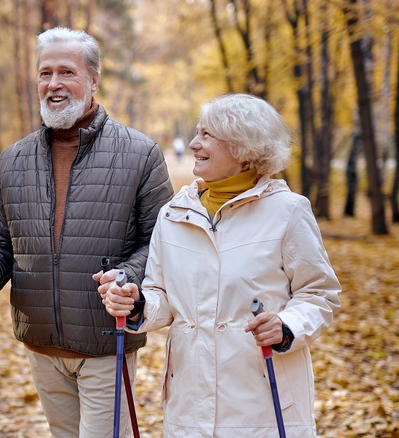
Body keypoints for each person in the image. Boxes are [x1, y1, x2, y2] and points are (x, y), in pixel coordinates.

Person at [0, 27, 173, 437]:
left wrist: (126, 278)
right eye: (44, 73)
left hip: (107, 339)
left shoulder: (141, 154)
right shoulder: (14, 159)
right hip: (42, 345)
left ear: (93, 79)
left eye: (66, 72)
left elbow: (159, 243)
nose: (53, 84)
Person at [96, 93, 342, 437]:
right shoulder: (174, 214)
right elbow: (161, 296)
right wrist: (137, 304)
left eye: (207, 135)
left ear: (243, 146)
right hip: (189, 407)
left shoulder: (288, 211)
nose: (194, 144)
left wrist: (286, 325)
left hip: (263, 408)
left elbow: (320, 294)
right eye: (197, 133)